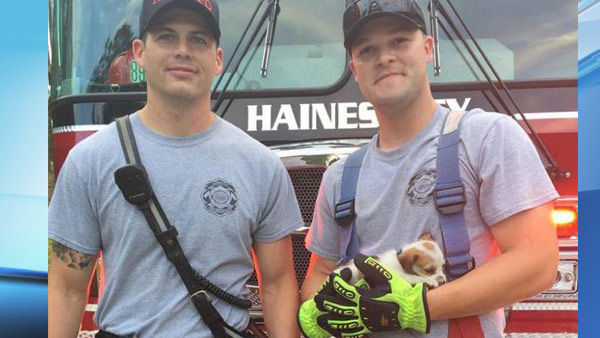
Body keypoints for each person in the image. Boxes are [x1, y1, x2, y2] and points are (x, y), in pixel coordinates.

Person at [298, 0, 559, 337]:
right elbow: (319, 275)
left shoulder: (488, 137)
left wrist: (412, 307)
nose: (385, 57)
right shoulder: (339, 176)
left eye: (399, 41)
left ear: (427, 49)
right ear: (355, 68)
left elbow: (536, 262)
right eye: (367, 50)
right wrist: (320, 310)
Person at [48, 0, 303, 337]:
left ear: (217, 59)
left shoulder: (261, 165)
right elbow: (65, 289)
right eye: (167, 37)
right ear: (139, 51)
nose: (183, 50)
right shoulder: (90, 161)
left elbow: (278, 283)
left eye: (198, 39)